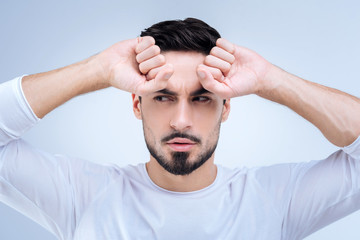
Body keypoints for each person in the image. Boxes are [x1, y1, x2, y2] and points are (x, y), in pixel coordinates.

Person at [0, 17, 359, 240]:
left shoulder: (276, 201)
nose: (181, 120)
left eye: (202, 98)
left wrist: (271, 80)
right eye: (163, 98)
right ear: (137, 104)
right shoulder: (80, 196)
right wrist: (96, 70)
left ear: (226, 107)